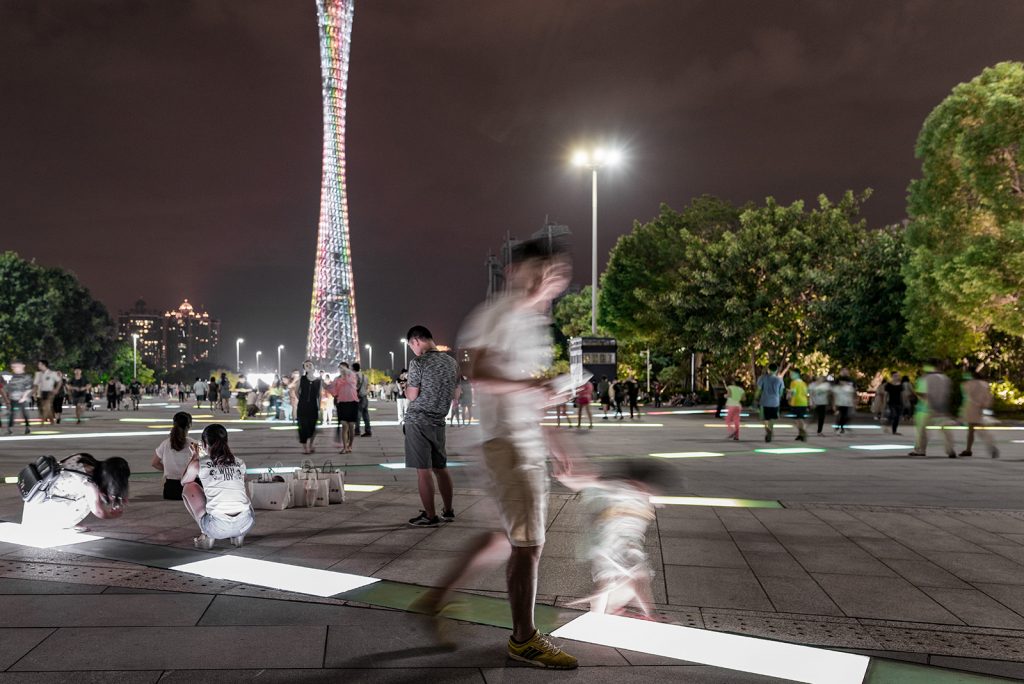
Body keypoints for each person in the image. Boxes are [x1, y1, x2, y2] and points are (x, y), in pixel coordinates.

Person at [419, 238, 578, 668]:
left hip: (519, 441)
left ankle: (435, 599)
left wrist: (554, 441)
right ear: (514, 271)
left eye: (556, 272)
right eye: (540, 270)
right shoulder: (497, 313)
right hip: (504, 444)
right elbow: (476, 370)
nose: (549, 280)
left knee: (500, 540)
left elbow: (526, 388)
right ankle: (524, 639)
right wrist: (534, 388)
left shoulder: (534, 325)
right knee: (528, 544)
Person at [557, 459, 673, 619]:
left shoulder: (644, 496)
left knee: (624, 582)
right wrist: (569, 479)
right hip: (614, 549)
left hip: (618, 548)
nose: (647, 491)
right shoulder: (620, 488)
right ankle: (646, 615)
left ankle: (600, 614)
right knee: (636, 577)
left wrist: (570, 479)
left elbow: (590, 484)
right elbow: (591, 484)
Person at [401, 326, 459, 526]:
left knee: (423, 470)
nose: (412, 350)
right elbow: (455, 393)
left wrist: (406, 389)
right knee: (440, 468)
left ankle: (430, 515)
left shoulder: (418, 362)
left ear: (416, 341)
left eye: (411, 346)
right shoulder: (452, 363)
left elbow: (413, 395)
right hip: (438, 421)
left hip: (418, 421)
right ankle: (448, 510)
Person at [180, 423, 254, 549]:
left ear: (204, 444)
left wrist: (195, 457)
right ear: (226, 441)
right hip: (246, 523)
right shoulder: (240, 462)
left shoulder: (201, 463)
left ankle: (206, 534)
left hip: (217, 527)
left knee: (189, 487)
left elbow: (185, 481)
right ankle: (238, 536)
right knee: (241, 484)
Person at [21, 453, 129, 531]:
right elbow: (99, 512)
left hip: (36, 502)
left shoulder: (84, 459)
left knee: (88, 495)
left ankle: (59, 522)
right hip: (41, 513)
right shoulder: (88, 482)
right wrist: (112, 515)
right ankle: (61, 524)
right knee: (88, 500)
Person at [909, 363, 956, 458]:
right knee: (945, 429)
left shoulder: (925, 378)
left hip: (925, 408)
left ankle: (920, 450)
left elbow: (923, 394)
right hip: (941, 408)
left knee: (922, 430)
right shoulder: (945, 379)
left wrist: (914, 393)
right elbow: (948, 394)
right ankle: (950, 449)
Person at [152, 412, 197, 500]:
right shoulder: (194, 444)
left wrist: (168, 469)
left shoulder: (165, 444)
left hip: (171, 490)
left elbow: (154, 463)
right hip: (191, 490)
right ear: (189, 426)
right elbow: (204, 464)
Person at [958, 371, 999, 459]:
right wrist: (986, 406)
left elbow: (965, 394)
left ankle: (990, 446)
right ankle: (969, 449)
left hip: (970, 408)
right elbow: (988, 397)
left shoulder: (968, 384)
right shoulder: (984, 384)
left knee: (975, 429)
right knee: (973, 429)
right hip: (980, 408)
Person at [328, 363, 359, 453]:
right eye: (340, 368)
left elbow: (350, 382)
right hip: (342, 404)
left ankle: (350, 445)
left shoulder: (352, 375)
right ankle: (345, 447)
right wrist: (327, 387)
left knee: (351, 426)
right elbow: (333, 390)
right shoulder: (337, 379)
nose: (341, 369)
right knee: (344, 426)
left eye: (343, 367)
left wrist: (346, 372)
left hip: (353, 402)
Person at [296, 361, 322, 454]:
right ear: (304, 368)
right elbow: (296, 391)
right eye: (306, 365)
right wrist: (302, 400)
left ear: (313, 366)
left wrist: (319, 407)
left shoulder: (318, 381)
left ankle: (311, 444)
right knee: (303, 427)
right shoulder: (302, 379)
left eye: (310, 364)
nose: (309, 366)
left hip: (313, 406)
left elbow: (319, 395)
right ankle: (305, 447)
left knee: (312, 427)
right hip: (302, 407)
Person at [755, 363, 785, 442]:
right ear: (776, 370)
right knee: (772, 418)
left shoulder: (762, 378)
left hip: (764, 401)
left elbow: (758, 389)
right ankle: (770, 430)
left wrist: (755, 398)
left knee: (763, 418)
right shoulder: (779, 379)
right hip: (775, 401)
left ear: (768, 370)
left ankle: (767, 429)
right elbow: (781, 392)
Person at [5, 361, 33, 435]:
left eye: (15, 366)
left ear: (22, 366)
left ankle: (27, 427)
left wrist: (24, 397)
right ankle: (10, 428)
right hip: (13, 398)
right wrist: (8, 398)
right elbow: (9, 388)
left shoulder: (26, 377)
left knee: (24, 413)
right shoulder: (12, 377)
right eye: (13, 367)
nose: (14, 368)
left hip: (23, 399)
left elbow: (29, 388)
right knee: (12, 414)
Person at [34, 360, 62, 425]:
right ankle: (51, 420)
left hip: (50, 392)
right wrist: (34, 393)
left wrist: (56, 389)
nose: (38, 366)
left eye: (39, 364)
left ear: (44, 365)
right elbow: (35, 384)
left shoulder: (52, 373)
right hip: (42, 392)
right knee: (46, 407)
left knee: (46, 406)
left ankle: (42, 421)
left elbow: (59, 381)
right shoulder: (38, 374)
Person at [352, 362, 372, 437]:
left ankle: (357, 430)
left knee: (358, 414)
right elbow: (367, 386)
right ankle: (368, 430)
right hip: (365, 397)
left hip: (358, 397)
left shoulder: (355, 376)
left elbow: (355, 386)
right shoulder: (365, 376)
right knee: (366, 414)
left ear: (353, 368)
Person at [833, 370, 855, 434]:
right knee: (841, 415)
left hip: (847, 402)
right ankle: (840, 427)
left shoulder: (850, 380)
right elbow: (834, 391)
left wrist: (853, 401)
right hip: (839, 401)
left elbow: (853, 391)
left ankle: (840, 426)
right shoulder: (838, 380)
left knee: (846, 416)